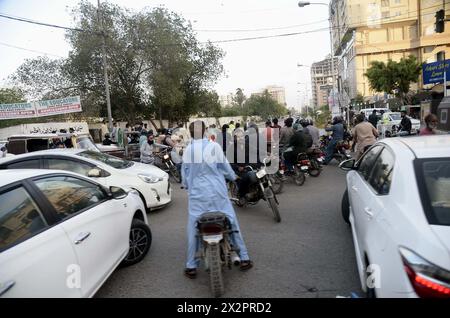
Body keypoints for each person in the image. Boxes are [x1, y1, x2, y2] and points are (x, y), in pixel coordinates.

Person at [181, 120, 253, 278]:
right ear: (205, 131)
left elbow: (184, 177)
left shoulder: (188, 150)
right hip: (217, 193)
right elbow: (226, 168)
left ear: (191, 133)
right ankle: (244, 258)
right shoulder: (214, 147)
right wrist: (233, 176)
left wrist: (187, 185)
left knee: (193, 226)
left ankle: (191, 266)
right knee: (231, 221)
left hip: (197, 196)